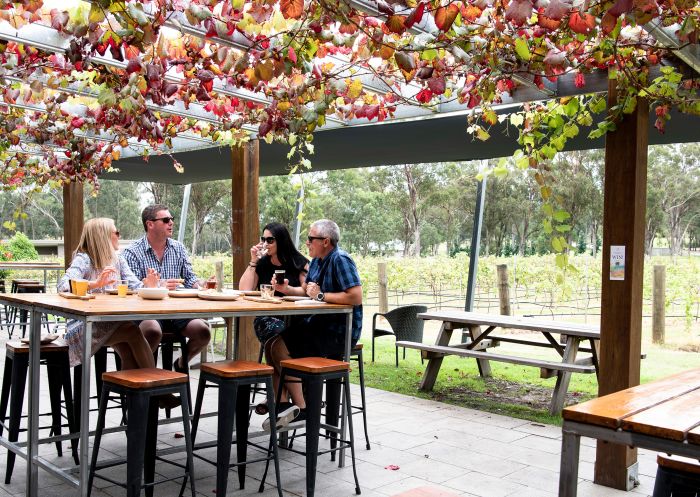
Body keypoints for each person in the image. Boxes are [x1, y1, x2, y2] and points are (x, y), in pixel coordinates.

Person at [264, 219, 363, 429]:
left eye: (310, 238)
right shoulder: (317, 260)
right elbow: (307, 290)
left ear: (325, 241)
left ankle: (303, 408)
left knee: (279, 347)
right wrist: (286, 290)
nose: (307, 242)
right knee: (271, 344)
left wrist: (321, 295)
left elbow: (355, 296)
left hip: (338, 332)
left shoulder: (340, 259)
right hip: (319, 325)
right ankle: (283, 405)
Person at [57, 218, 157, 369]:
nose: (119, 236)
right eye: (116, 232)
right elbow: (63, 285)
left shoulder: (118, 259)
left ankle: (136, 385)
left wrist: (148, 285)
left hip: (110, 320)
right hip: (84, 325)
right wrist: (95, 284)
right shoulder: (85, 259)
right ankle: (154, 382)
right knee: (132, 331)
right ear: (103, 236)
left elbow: (135, 285)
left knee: (127, 347)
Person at [123, 204, 212, 371]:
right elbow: (131, 287)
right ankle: (142, 375)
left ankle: (181, 363)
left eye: (171, 219)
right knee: (152, 331)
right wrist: (157, 286)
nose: (171, 222)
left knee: (203, 332)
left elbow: (189, 277)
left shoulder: (178, 248)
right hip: (146, 312)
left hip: (176, 310)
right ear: (150, 224)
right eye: (165, 220)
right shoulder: (132, 252)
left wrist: (201, 284)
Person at [239, 222, 309, 417]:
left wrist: (287, 290)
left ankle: (279, 401)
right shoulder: (262, 263)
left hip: (296, 319)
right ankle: (295, 404)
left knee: (274, 344)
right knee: (274, 338)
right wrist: (253, 261)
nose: (265, 243)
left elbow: (307, 291)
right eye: (263, 239)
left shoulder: (298, 262)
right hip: (267, 317)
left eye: (270, 240)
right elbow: (244, 290)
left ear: (281, 241)